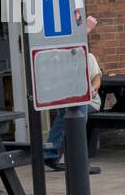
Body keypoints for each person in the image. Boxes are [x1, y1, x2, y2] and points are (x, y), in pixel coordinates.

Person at [43, 14, 101, 173]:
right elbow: (70, 44)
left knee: (63, 119)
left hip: (64, 80)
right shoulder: (66, 17)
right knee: (77, 120)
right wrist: (87, 28)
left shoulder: (58, 18)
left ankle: (51, 154)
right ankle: (79, 162)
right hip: (72, 82)